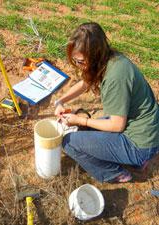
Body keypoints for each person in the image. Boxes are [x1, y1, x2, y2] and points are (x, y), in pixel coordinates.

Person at [54, 22, 159, 183]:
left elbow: (117, 126)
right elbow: (85, 83)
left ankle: (115, 173)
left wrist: (81, 119)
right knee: (84, 130)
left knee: (69, 142)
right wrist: (60, 101)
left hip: (141, 143)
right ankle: (133, 158)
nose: (77, 65)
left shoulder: (115, 78)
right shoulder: (111, 60)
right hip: (143, 129)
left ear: (95, 54)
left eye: (80, 61)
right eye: (74, 60)